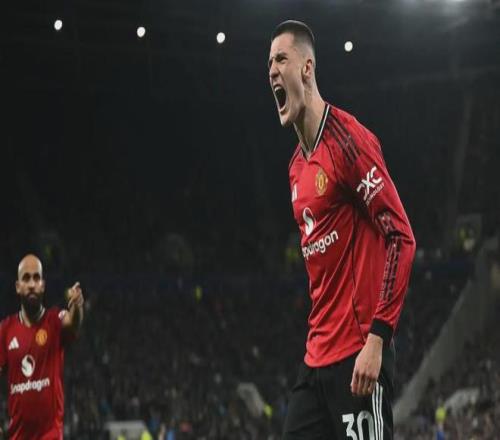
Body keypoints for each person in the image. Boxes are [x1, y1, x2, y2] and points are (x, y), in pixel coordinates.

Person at [268, 21, 416, 439]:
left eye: (281, 59)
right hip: (316, 360)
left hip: (358, 357)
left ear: (307, 68)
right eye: (269, 64)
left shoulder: (349, 141)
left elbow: (400, 237)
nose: (272, 70)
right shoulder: (296, 168)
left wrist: (378, 339)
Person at [0, 254, 84, 439]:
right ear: (18, 287)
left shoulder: (54, 320)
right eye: (26, 278)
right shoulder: (5, 330)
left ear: (43, 285)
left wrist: (77, 307)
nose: (32, 284)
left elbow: (72, 322)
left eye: (36, 278)